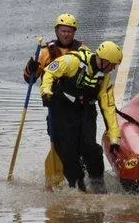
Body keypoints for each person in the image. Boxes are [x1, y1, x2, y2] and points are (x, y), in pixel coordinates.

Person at [39, 41, 123, 193]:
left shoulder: (105, 80)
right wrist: (46, 92)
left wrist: (114, 138)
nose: (113, 69)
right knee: (68, 152)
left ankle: (97, 183)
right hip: (63, 108)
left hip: (85, 111)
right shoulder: (73, 61)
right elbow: (49, 74)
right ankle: (78, 186)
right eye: (112, 65)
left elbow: (109, 109)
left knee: (90, 148)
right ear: (103, 60)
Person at [23, 13, 89, 83]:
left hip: (74, 92)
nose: (66, 34)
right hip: (49, 92)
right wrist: (30, 69)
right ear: (56, 31)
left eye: (69, 31)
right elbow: (30, 80)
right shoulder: (46, 52)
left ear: (74, 32)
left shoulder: (83, 50)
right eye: (63, 31)